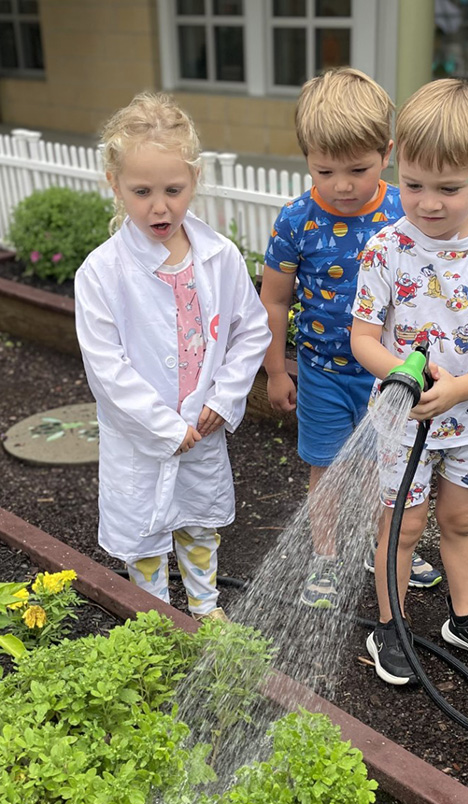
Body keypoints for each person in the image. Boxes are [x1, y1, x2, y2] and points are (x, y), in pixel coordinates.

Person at [351, 78, 468, 684]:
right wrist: (403, 376)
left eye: (449, 188)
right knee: (401, 526)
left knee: (460, 521)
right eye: (413, 185)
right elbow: (364, 340)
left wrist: (458, 390)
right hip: (403, 421)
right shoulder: (385, 250)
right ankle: (389, 624)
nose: (428, 202)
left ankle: (465, 617)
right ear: (398, 165)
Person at [75, 92, 271, 621]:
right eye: (141, 191)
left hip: (202, 422)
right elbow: (106, 367)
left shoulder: (219, 257)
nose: (159, 206)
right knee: (146, 528)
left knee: (197, 518)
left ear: (195, 180)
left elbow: (251, 329)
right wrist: (163, 426)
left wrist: (225, 397)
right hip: (144, 433)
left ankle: (205, 607)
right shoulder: (101, 273)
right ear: (113, 184)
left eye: (173, 190)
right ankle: (155, 616)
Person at [260, 67, 441, 609]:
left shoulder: (402, 212)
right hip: (323, 374)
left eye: (358, 169)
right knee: (327, 467)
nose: (341, 185)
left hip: (389, 374)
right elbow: (274, 300)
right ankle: (326, 558)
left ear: (386, 153)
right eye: (325, 170)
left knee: (391, 467)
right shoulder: (296, 220)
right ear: (307, 159)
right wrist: (275, 370)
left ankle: (383, 546)